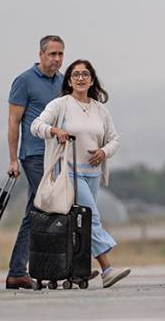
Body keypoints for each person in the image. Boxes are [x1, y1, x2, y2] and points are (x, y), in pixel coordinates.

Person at [31, 60, 131, 288]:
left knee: (79, 222)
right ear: (69, 80)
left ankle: (77, 266)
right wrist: (54, 130)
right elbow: (36, 125)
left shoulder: (100, 109)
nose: (80, 78)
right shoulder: (60, 105)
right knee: (90, 217)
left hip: (93, 173)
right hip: (68, 172)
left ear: (92, 79)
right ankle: (107, 269)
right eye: (75, 74)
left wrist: (104, 152)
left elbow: (114, 139)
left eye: (85, 74)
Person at [5, 35, 65, 289]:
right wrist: (12, 158)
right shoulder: (24, 81)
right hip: (34, 154)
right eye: (52, 54)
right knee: (44, 207)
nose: (57, 59)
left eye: (60, 54)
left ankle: (24, 269)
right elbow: (13, 122)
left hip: (58, 155)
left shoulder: (64, 82)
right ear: (41, 54)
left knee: (39, 210)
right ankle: (22, 269)